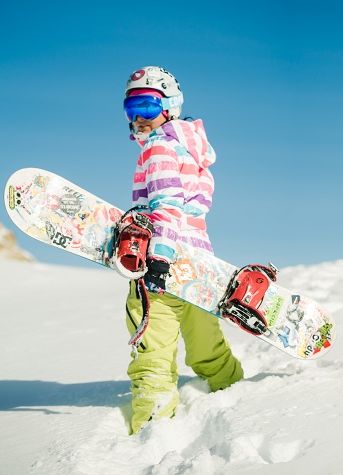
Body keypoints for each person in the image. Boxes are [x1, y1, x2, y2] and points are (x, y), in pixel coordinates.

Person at [122, 66, 243, 434]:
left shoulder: (158, 147)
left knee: (154, 354)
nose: (139, 118)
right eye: (131, 109)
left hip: (162, 261)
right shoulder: (194, 153)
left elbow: (167, 204)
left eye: (146, 105)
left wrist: (157, 256)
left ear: (170, 106)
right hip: (200, 265)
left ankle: (151, 432)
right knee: (208, 348)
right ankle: (241, 401)